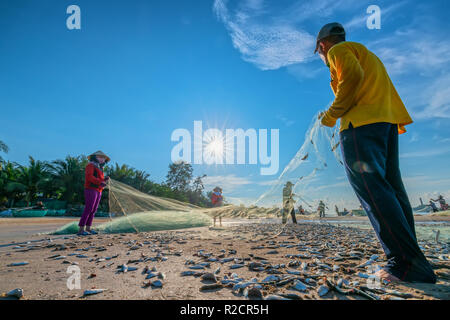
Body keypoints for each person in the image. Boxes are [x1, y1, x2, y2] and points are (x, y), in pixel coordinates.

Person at [315, 22, 436, 283]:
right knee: (393, 190)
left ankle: (405, 264)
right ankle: (414, 259)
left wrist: (331, 116)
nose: (323, 58)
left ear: (322, 46)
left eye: (320, 53)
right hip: (387, 125)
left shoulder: (338, 51)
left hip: (361, 127)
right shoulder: (368, 54)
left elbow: (353, 78)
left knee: (373, 191)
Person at [78, 151, 110, 236]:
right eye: (100, 157)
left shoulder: (100, 168)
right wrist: (100, 182)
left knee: (93, 210)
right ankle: (81, 229)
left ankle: (88, 228)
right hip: (90, 189)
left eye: (103, 158)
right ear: (94, 157)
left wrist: (105, 180)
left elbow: (100, 180)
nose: (102, 159)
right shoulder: (90, 165)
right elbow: (89, 177)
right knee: (88, 209)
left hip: (99, 190)